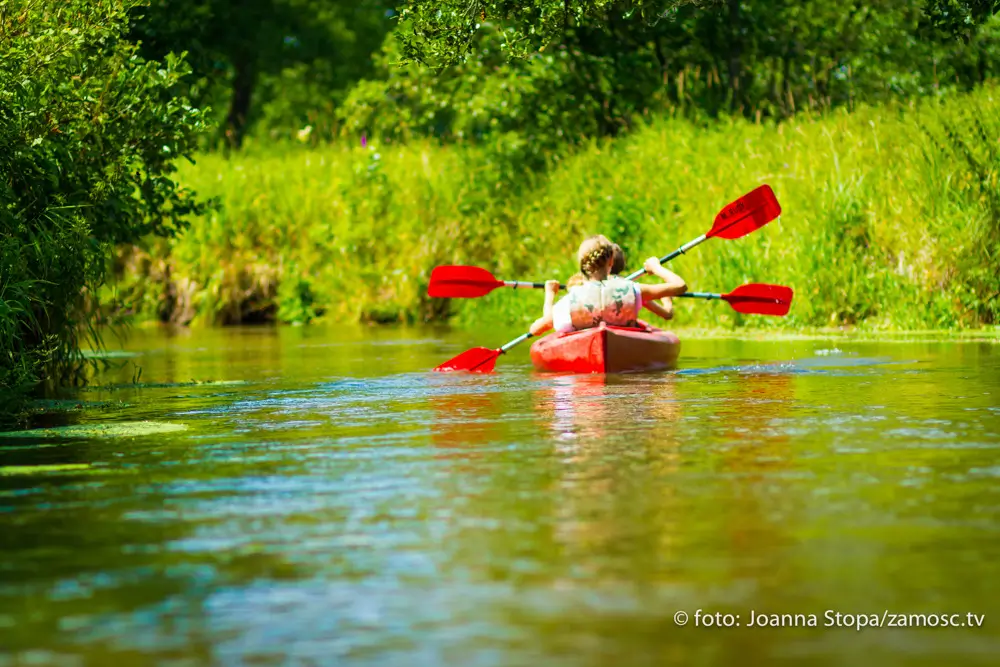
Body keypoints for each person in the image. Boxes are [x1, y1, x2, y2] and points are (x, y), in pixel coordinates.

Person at [531, 235, 686, 336]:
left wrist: (549, 295)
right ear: (611, 262)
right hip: (625, 346)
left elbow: (536, 329)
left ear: (582, 265)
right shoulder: (631, 289)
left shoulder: (570, 299)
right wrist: (656, 268)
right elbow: (680, 286)